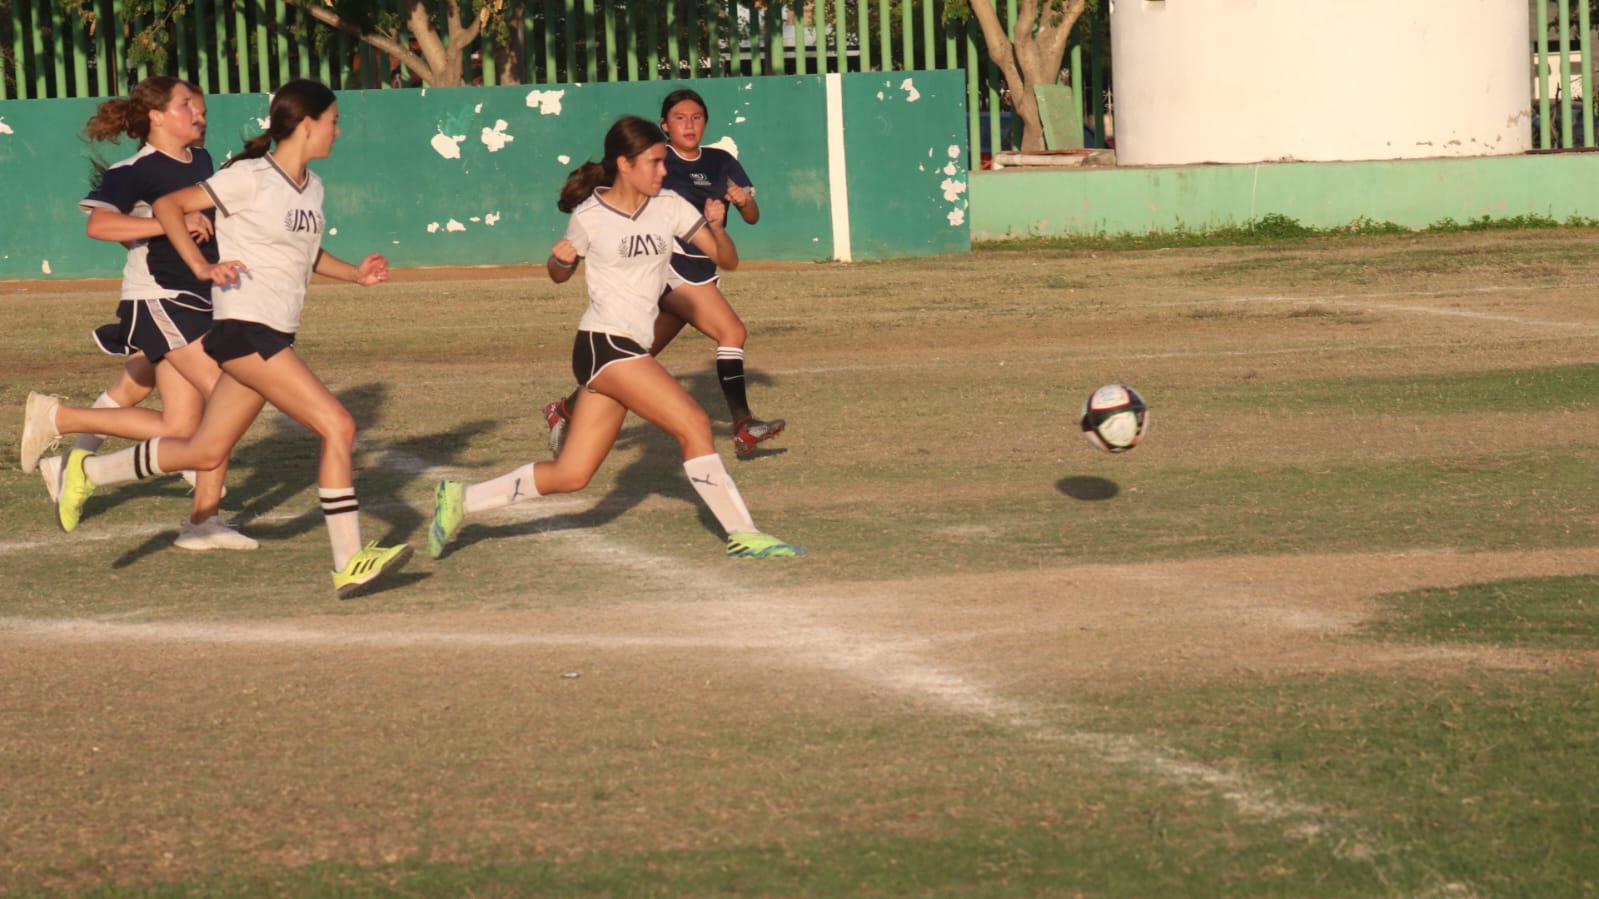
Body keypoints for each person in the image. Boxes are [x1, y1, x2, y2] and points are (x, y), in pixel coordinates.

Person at [44, 78, 413, 598]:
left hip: (273, 328)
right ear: (306, 125)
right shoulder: (248, 176)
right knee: (338, 425)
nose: (338, 130)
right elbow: (170, 208)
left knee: (204, 447)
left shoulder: (314, 187)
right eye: (332, 120)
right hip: (245, 329)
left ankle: (90, 474)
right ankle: (348, 560)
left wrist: (356, 274)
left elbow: (304, 254)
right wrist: (201, 265)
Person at [428, 115, 802, 561]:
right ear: (624, 164)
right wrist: (561, 260)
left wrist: (718, 227)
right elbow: (557, 274)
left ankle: (460, 500)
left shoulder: (671, 207)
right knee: (695, 424)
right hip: (603, 343)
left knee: (572, 474)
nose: (664, 171)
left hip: (626, 349)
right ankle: (743, 531)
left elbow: (729, 261)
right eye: (654, 162)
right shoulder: (589, 216)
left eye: (664, 163)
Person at [20, 76, 251, 550]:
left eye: (201, 107)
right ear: (156, 117)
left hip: (197, 298)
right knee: (227, 392)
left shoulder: (201, 161)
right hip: (159, 298)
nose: (200, 114)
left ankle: (60, 419)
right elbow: (98, 225)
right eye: (187, 105)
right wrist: (166, 223)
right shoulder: (135, 171)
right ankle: (205, 519)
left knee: (182, 428)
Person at [541, 89, 784, 460]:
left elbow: (752, 217)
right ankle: (743, 425)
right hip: (670, 269)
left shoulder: (721, 160)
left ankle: (566, 409)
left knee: (638, 354)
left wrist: (744, 202)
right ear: (664, 125)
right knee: (732, 331)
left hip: (701, 269)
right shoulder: (656, 160)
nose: (689, 124)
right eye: (680, 118)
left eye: (697, 117)